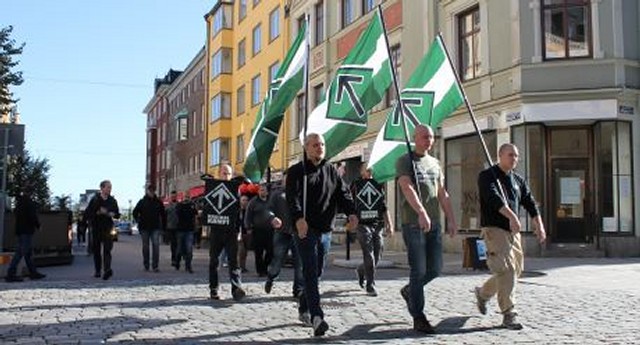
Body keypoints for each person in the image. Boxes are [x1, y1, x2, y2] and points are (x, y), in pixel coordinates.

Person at [286, 133, 358, 337]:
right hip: (305, 229)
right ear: (306, 148)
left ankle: (303, 305)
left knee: (317, 273)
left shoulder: (331, 171)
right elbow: (292, 198)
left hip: (325, 229)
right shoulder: (296, 172)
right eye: (315, 145)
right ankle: (317, 317)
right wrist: (298, 218)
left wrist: (352, 213)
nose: (320, 148)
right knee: (309, 271)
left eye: (322, 144)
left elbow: (343, 194)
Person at [474, 143, 546, 330]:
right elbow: (493, 198)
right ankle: (509, 313)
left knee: (515, 270)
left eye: (516, 156)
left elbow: (529, 202)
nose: (514, 158)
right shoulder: (487, 176)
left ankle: (483, 294)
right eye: (510, 155)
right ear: (500, 155)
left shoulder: (518, 180)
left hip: (513, 232)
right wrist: (512, 216)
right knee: (506, 270)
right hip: (494, 228)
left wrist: (539, 225)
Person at [396, 125, 457, 334]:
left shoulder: (435, 163)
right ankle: (418, 316)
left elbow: (442, 193)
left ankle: (410, 290)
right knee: (419, 269)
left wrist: (451, 218)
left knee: (435, 269)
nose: (428, 140)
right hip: (413, 223)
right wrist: (421, 211)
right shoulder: (405, 161)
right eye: (424, 137)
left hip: (434, 224)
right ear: (415, 138)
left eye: (431, 137)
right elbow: (406, 187)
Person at [352, 164, 394, 296]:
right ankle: (370, 284)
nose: (369, 170)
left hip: (377, 224)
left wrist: (390, 224)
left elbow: (383, 205)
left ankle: (361, 269)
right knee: (369, 254)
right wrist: (351, 218)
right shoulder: (356, 184)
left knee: (378, 252)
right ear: (361, 171)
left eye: (371, 168)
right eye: (366, 167)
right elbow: (349, 202)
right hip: (362, 224)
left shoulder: (377, 184)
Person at [208, 164, 246, 301]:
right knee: (214, 261)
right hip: (216, 230)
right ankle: (213, 289)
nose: (226, 176)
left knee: (233, 261)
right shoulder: (214, 188)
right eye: (224, 173)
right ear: (219, 174)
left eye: (229, 174)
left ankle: (236, 288)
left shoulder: (235, 190)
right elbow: (208, 207)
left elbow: (238, 213)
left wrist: (240, 230)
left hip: (231, 231)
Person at [264, 174, 304, 299]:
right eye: (287, 178)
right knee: (278, 260)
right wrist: (272, 217)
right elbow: (268, 209)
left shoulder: (302, 194)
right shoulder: (277, 194)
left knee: (300, 263)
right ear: (283, 180)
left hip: (298, 233)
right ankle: (271, 277)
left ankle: (298, 290)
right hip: (282, 232)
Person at [5, 184, 46, 282]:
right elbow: (32, 216)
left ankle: (33, 272)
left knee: (27, 253)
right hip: (27, 230)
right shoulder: (29, 203)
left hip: (20, 229)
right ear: (31, 193)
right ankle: (11, 273)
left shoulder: (19, 202)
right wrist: (38, 225)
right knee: (21, 252)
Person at [85, 180, 120, 280]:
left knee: (107, 249)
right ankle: (97, 270)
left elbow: (117, 214)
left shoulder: (112, 200)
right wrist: (97, 213)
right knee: (96, 250)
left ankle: (107, 270)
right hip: (96, 227)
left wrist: (110, 213)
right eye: (108, 187)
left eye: (110, 187)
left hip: (108, 227)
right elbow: (88, 213)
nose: (110, 189)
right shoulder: (95, 199)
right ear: (102, 188)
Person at [132, 184, 166, 272]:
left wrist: (164, 227)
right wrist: (138, 220)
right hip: (144, 227)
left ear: (154, 191)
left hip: (155, 227)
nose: (151, 192)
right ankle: (146, 265)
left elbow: (163, 215)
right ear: (147, 191)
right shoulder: (142, 201)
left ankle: (155, 266)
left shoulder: (158, 202)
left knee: (156, 246)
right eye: (150, 191)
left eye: (153, 191)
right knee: (145, 247)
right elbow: (135, 212)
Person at [245, 183, 274, 277]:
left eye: (264, 190)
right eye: (261, 190)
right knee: (258, 252)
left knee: (271, 251)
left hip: (270, 230)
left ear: (267, 191)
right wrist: (248, 227)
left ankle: (265, 267)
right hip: (258, 230)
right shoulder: (253, 201)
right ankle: (260, 271)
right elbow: (248, 214)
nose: (262, 191)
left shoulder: (271, 201)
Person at [175, 193, 197, 273]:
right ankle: (177, 262)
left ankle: (188, 266)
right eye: (185, 197)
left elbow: (195, 214)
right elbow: (177, 214)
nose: (187, 198)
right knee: (179, 249)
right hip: (180, 229)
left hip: (189, 230)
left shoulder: (192, 205)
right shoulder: (179, 205)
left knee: (189, 249)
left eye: (188, 197)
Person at [237, 194, 251, 273]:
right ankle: (239, 266)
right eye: (243, 200)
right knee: (241, 251)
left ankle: (243, 266)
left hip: (247, 233)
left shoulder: (249, 211)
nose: (245, 202)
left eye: (246, 200)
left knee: (245, 251)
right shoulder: (238, 211)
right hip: (239, 232)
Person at [165, 191, 179, 268]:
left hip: (178, 227)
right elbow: (165, 216)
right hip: (170, 227)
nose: (173, 197)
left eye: (175, 196)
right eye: (172, 196)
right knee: (173, 244)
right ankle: (174, 259)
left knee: (177, 244)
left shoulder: (179, 205)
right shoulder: (168, 206)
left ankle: (177, 258)